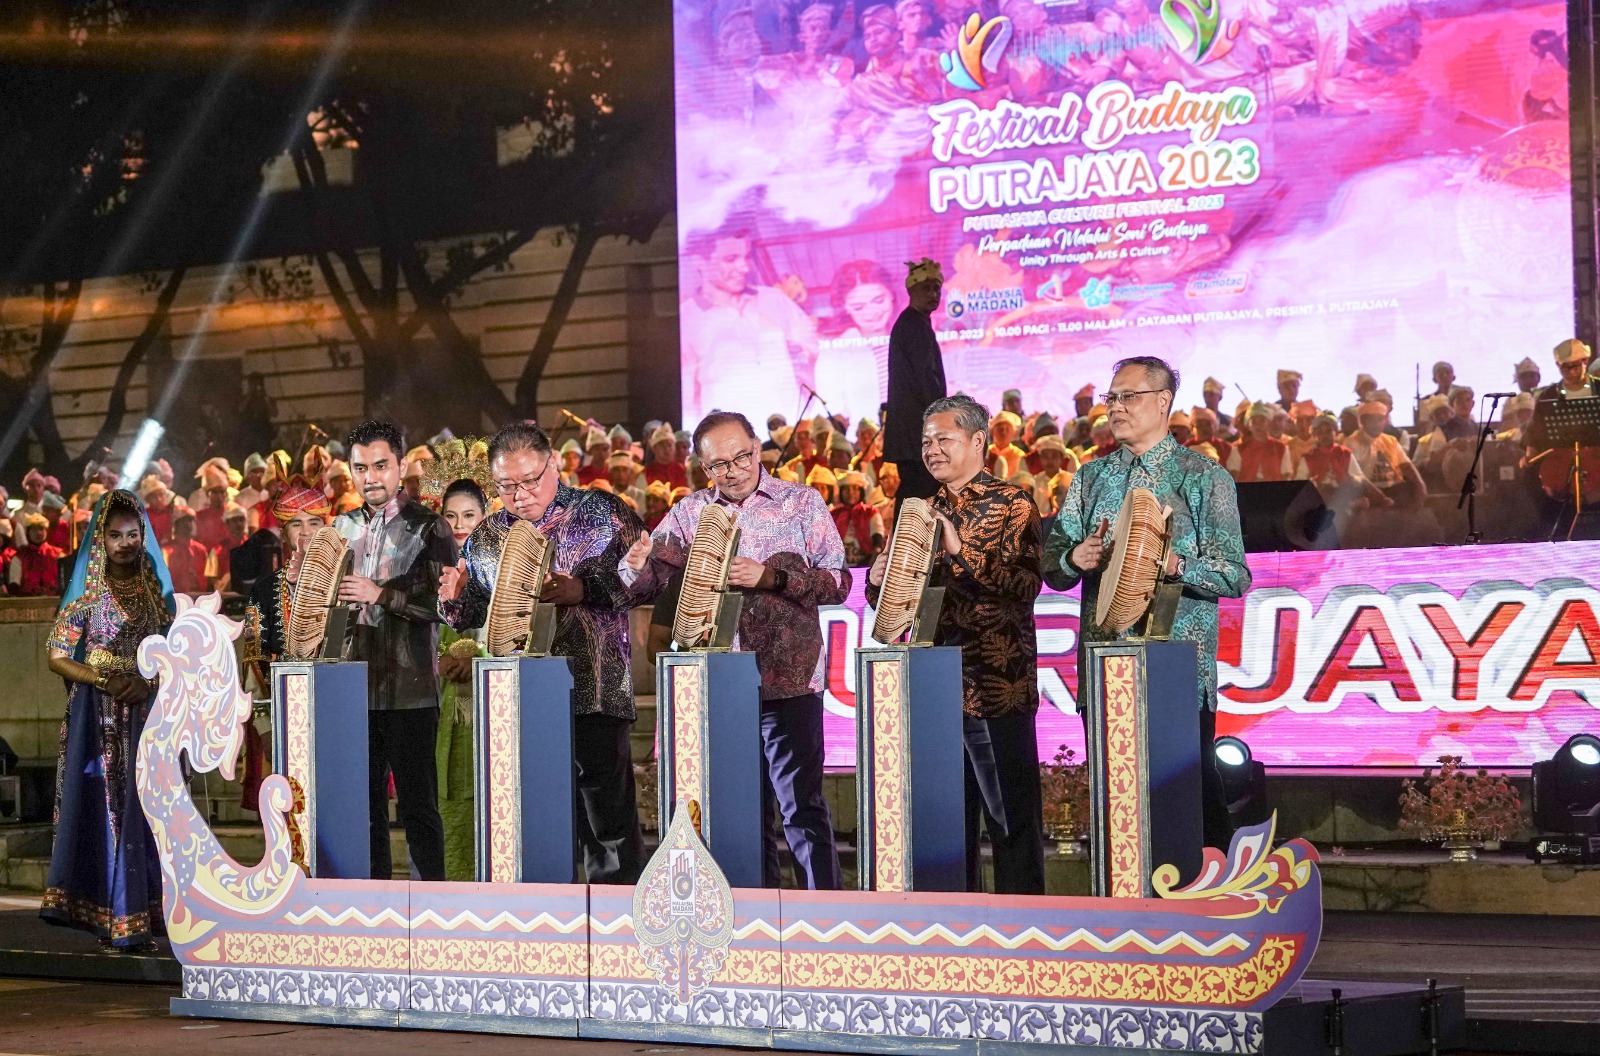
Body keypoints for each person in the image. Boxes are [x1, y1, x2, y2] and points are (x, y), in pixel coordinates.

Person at [622, 410, 848, 890]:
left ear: (757, 448)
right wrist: (637, 565)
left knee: (801, 807)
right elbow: (647, 583)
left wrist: (772, 577)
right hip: (720, 685)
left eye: (741, 457)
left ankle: (825, 912)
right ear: (704, 467)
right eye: (718, 465)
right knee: (742, 812)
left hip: (789, 680)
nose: (733, 471)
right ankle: (753, 915)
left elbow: (838, 582)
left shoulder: (800, 503)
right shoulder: (690, 513)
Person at [1043, 356, 1250, 852]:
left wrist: (1177, 566)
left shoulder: (1203, 477)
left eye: (1127, 396)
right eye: (1110, 398)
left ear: (1162, 402)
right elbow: (1052, 565)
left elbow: (1235, 575)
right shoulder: (1090, 478)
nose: (1114, 407)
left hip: (1176, 671)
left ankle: (1214, 892)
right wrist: (1074, 556)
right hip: (1106, 666)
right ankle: (1123, 897)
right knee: (1116, 802)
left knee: (1189, 802)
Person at [439, 422, 645, 885]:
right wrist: (454, 597)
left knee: (606, 823)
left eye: (530, 480)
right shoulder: (488, 536)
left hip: (594, 688)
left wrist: (584, 588)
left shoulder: (603, 512)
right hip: (517, 701)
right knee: (535, 818)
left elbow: (648, 579)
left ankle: (616, 917)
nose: (520, 495)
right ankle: (543, 918)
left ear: (552, 465)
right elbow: (471, 612)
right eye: (506, 486)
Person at [869, 393, 1044, 893]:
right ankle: (956, 923)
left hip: (996, 685)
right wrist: (879, 582)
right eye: (926, 442)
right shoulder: (920, 510)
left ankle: (1024, 921)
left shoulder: (1013, 503)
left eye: (943, 439)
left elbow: (1026, 585)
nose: (932, 450)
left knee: (1010, 818)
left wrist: (960, 549)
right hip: (935, 686)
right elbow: (896, 605)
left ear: (977, 440)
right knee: (948, 821)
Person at [42, 489, 173, 950]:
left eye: (132, 534)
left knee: (149, 807)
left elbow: (174, 652)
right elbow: (57, 656)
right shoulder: (87, 594)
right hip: (97, 717)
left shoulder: (158, 595)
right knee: (107, 808)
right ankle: (113, 916)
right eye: (115, 535)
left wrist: (149, 683)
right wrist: (104, 679)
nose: (124, 543)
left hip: (147, 712)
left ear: (144, 536)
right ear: (101, 540)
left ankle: (151, 914)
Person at [335, 421, 456, 883]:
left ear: (401, 467)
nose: (370, 477)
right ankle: (373, 906)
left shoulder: (430, 527)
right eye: (360, 468)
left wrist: (381, 595)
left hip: (411, 692)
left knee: (418, 807)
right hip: (354, 690)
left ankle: (432, 908)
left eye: (381, 465)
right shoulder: (341, 528)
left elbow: (444, 608)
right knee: (363, 808)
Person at [680, 223, 811, 428]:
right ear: (699, 260)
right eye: (730, 259)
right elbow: (688, 398)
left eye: (747, 256)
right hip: (728, 441)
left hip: (790, 433)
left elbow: (812, 359)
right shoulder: (687, 318)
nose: (744, 268)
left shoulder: (774, 300)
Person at [435, 479, 490, 882]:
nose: (459, 525)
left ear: (485, 517)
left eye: (469, 515)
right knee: (446, 795)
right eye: (451, 516)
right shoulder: (430, 571)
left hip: (493, 704)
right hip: (444, 706)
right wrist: (439, 658)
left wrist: (478, 657)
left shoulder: (501, 567)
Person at [884, 258, 948, 512]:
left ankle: (903, 538)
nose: (933, 294)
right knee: (920, 495)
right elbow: (925, 379)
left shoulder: (912, 323)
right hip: (917, 432)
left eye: (936, 288)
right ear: (911, 290)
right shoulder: (914, 325)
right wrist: (943, 417)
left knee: (916, 495)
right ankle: (905, 539)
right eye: (926, 288)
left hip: (912, 434)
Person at [1226, 403, 1294, 482]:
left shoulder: (1281, 448)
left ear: (1269, 424)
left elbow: (1286, 475)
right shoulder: (1238, 449)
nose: (1258, 426)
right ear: (1248, 426)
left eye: (1262, 421)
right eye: (1254, 422)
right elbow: (1233, 477)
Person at [832, 470, 885, 566]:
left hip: (865, 563)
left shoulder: (870, 512)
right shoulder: (834, 514)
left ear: (861, 491)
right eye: (846, 489)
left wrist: (875, 554)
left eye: (855, 488)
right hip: (838, 566)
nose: (851, 492)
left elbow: (877, 533)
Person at [8, 514, 65, 596]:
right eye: (34, 529)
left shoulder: (58, 554)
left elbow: (64, 581)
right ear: (28, 532)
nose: (38, 533)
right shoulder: (19, 557)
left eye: (41, 529)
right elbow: (14, 584)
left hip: (54, 600)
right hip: (27, 601)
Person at [164, 509, 211, 596]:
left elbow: (208, 578)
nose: (187, 524)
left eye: (189, 520)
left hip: (200, 596)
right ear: (176, 525)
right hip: (176, 597)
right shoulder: (167, 551)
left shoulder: (201, 550)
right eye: (183, 521)